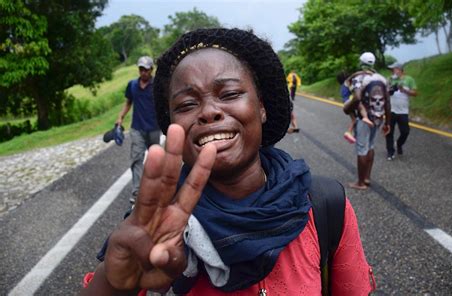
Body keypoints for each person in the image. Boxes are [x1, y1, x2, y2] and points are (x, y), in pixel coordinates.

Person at [81, 28, 375, 295]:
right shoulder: (156, 228)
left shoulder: (324, 205)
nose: (208, 111)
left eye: (230, 93)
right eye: (186, 105)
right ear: (172, 127)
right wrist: (114, 283)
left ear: (261, 107)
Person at [116, 56, 161, 204]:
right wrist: (120, 117)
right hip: (137, 129)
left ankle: (156, 190)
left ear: (151, 70)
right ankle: (136, 193)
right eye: (141, 69)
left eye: (146, 70)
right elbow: (128, 103)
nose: (144, 72)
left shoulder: (157, 85)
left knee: (156, 160)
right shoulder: (132, 85)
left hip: (154, 128)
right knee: (136, 159)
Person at [344, 53, 391, 190]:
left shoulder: (359, 77)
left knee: (362, 149)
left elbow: (357, 97)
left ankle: (360, 182)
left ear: (361, 63)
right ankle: (367, 177)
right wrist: (387, 122)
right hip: (378, 118)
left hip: (364, 119)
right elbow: (387, 101)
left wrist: (349, 107)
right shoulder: (382, 79)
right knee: (370, 146)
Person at [342, 53, 379, 144]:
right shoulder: (355, 77)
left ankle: (350, 132)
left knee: (355, 119)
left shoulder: (356, 78)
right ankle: (364, 118)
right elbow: (357, 95)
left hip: (348, 100)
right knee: (359, 103)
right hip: (348, 101)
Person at [385, 62, 417, 160]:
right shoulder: (389, 79)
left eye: (393, 69)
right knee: (389, 132)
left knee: (405, 132)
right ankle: (390, 152)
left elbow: (415, 93)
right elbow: (385, 92)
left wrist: (404, 90)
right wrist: (388, 90)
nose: (392, 71)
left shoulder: (409, 79)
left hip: (403, 111)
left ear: (399, 69)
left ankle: (399, 144)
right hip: (391, 110)